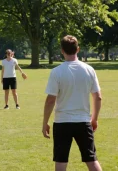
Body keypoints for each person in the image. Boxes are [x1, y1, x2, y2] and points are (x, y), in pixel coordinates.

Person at [42, 35, 102, 171]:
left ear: (62, 50)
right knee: (92, 160)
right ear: (78, 49)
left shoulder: (56, 72)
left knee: (61, 162)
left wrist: (45, 122)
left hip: (62, 122)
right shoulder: (89, 70)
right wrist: (95, 119)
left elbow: (51, 100)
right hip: (83, 121)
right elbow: (98, 97)